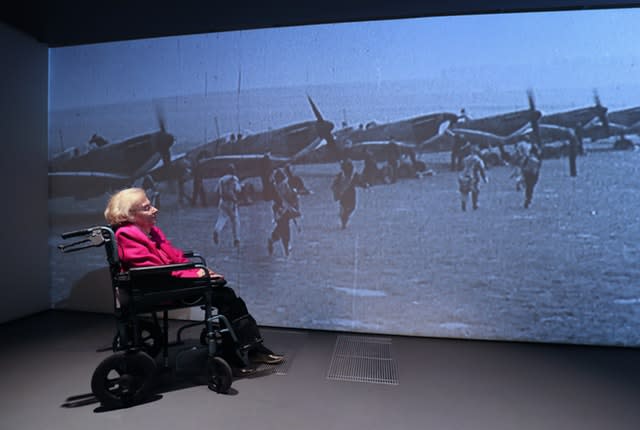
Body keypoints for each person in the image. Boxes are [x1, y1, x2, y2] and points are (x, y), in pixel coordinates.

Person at [103, 187, 284, 375]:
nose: (155, 209)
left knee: (223, 292)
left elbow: (176, 258)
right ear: (130, 215)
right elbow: (154, 271)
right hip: (156, 290)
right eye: (147, 208)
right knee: (225, 296)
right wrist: (197, 275)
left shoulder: (151, 232)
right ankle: (246, 349)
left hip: (164, 284)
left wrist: (198, 271)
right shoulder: (127, 234)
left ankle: (248, 346)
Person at [268, 168, 301, 256]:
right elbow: (288, 195)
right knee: (284, 228)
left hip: (279, 208)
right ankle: (285, 247)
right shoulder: (283, 184)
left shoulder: (274, 186)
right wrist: (294, 193)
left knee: (281, 227)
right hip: (283, 208)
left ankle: (272, 240)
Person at [331, 158, 366, 229]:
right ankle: (344, 220)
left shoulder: (350, 175)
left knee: (350, 208)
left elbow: (359, 181)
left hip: (348, 193)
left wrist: (364, 185)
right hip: (346, 193)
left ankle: (344, 218)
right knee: (348, 207)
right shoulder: (341, 176)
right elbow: (334, 185)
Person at [213, 163, 241, 247]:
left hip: (222, 201)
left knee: (221, 218)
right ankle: (236, 239)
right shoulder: (234, 179)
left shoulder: (221, 179)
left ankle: (217, 230)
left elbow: (216, 190)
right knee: (235, 221)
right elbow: (238, 189)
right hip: (231, 202)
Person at [457, 145, 488, 211]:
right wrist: (485, 178)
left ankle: (464, 206)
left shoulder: (466, 159)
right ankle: (475, 204)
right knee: (475, 190)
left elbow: (461, 167)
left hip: (463, 176)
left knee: (464, 192)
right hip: (473, 177)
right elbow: (482, 170)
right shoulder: (479, 160)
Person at [521, 143, 542, 209]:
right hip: (534, 174)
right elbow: (539, 165)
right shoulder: (538, 157)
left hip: (527, 173)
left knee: (528, 187)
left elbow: (523, 165)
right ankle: (529, 198)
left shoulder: (528, 157)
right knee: (531, 187)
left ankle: (528, 198)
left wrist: (523, 172)